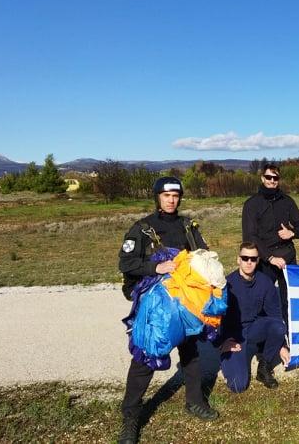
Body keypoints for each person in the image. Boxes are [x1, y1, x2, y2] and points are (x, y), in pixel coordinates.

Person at [117, 177, 217, 444]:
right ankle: (130, 419)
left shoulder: (188, 227)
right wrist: (156, 268)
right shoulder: (142, 229)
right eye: (166, 195)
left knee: (191, 351)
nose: (171, 199)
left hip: (185, 300)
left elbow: (203, 255)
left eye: (176, 195)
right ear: (157, 197)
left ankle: (194, 401)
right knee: (145, 357)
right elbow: (126, 263)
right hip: (155, 304)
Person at [218, 242, 290, 392]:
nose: (249, 262)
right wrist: (222, 342)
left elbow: (275, 314)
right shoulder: (227, 284)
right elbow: (215, 319)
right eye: (245, 258)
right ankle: (229, 359)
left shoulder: (265, 282)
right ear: (238, 259)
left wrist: (281, 344)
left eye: (253, 259)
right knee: (238, 385)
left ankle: (264, 366)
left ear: (258, 260)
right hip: (233, 336)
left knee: (278, 326)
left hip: (253, 329)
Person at [241, 163, 299, 324]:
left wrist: (293, 233)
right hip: (265, 260)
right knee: (262, 300)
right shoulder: (252, 204)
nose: (272, 181)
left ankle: (291, 333)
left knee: (290, 299)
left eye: (275, 178)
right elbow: (250, 236)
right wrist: (270, 258)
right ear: (262, 178)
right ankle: (264, 339)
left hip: (287, 257)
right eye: (268, 177)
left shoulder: (287, 201)